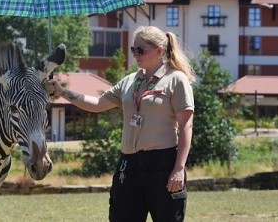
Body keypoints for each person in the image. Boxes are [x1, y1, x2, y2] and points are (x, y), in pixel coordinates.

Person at [47, 26, 195, 222]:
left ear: (159, 51)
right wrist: (63, 92)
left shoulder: (176, 80)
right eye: (134, 49)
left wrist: (178, 168)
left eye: (141, 50)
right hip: (129, 164)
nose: (136, 55)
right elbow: (98, 104)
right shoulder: (130, 81)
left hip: (162, 163)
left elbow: (186, 125)